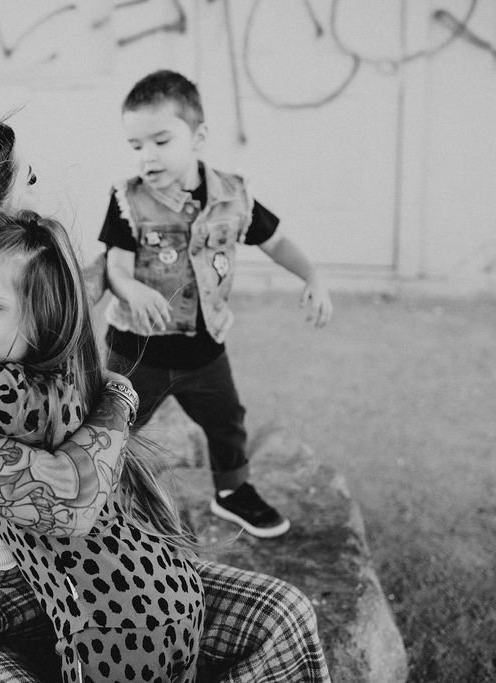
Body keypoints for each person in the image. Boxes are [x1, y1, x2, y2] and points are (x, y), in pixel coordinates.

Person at [0, 109, 330, 682]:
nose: (39, 197)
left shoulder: (21, 316)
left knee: (280, 616)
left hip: (78, 591)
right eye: (29, 180)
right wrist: (118, 399)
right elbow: (67, 504)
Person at [98, 70, 333, 539]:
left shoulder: (233, 196)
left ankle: (233, 492)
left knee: (227, 422)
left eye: (161, 140)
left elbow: (277, 241)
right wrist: (132, 288)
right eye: (136, 145)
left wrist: (312, 276)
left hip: (206, 348)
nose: (147, 156)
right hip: (137, 348)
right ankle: (106, 501)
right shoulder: (128, 200)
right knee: (115, 429)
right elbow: (116, 266)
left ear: (198, 136)